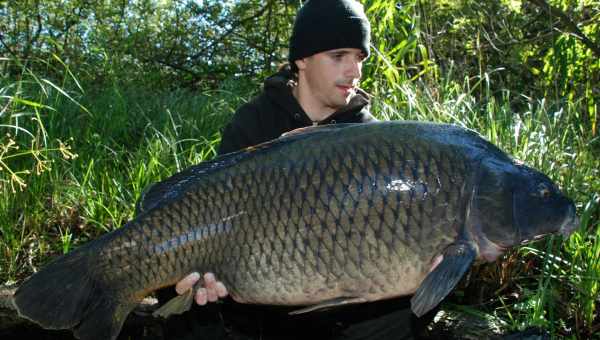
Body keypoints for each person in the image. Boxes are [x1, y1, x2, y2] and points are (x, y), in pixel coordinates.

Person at [144, 0, 435, 338]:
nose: (354, 71)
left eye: (360, 58)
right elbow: (212, 213)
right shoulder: (255, 122)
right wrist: (207, 276)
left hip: (344, 308)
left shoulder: (370, 140)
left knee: (411, 311)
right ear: (302, 59)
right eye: (339, 56)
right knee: (188, 301)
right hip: (258, 292)